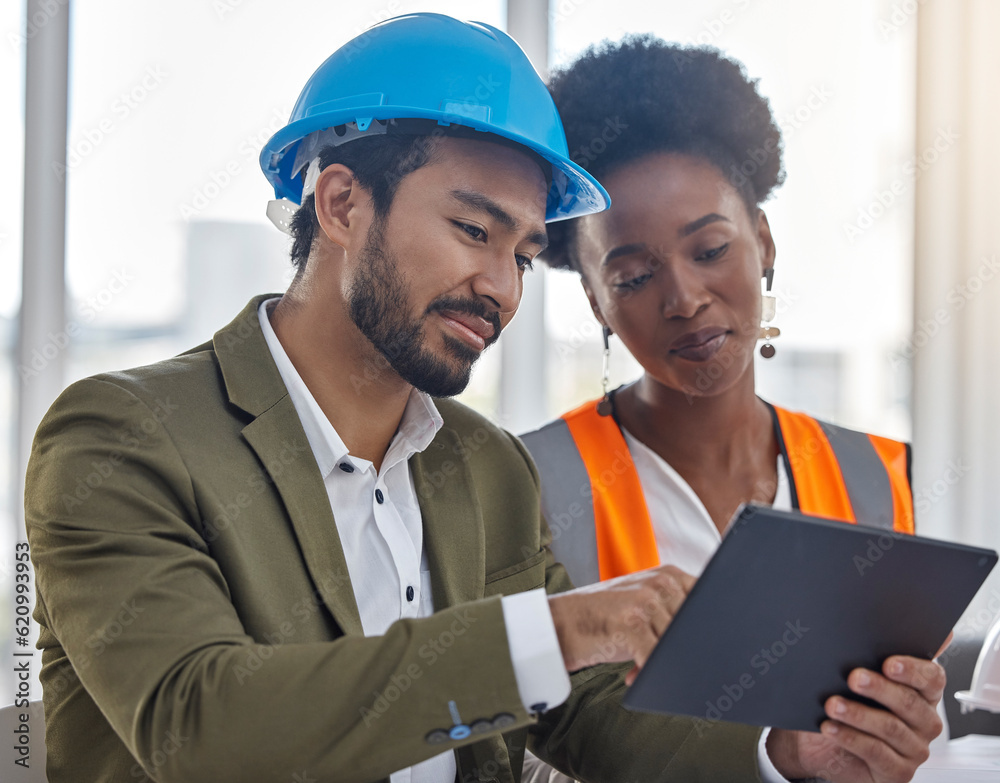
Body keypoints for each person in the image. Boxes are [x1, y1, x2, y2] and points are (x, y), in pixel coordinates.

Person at [24, 14, 820, 783]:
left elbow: (576, 711)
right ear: (341, 204)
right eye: (474, 230)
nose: (502, 287)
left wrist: (781, 754)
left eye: (524, 253)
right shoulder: (124, 437)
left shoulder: (485, 465)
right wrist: (557, 628)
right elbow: (197, 726)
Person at [520, 36, 942, 783]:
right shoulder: (526, 481)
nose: (682, 298)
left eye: (709, 249)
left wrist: (893, 731)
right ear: (595, 300)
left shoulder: (877, 476)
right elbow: (516, 744)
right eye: (635, 274)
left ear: (764, 241)